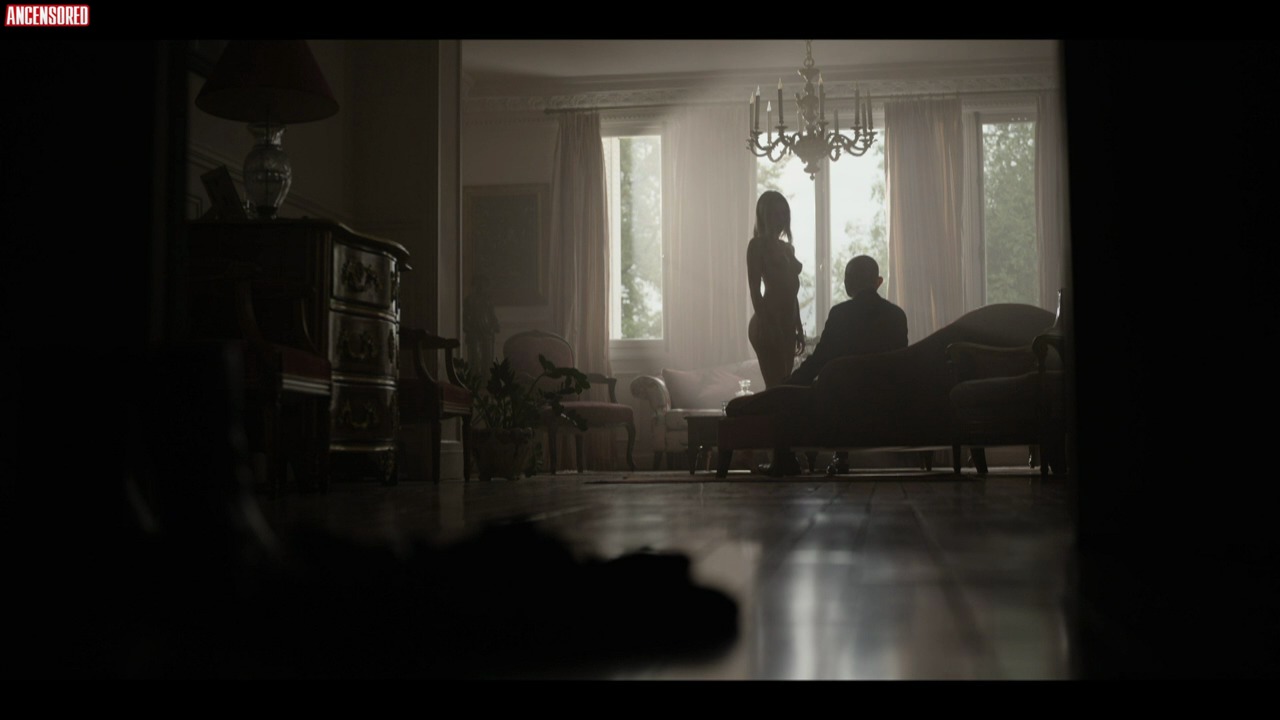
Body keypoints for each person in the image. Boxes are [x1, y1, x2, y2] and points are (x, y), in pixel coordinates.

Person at [760, 255, 908, 476]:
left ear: (849, 282)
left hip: (844, 405)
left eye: (846, 277)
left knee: (793, 396)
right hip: (886, 403)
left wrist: (788, 383)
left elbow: (820, 361)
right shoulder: (897, 316)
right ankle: (839, 457)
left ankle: (784, 461)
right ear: (878, 282)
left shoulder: (841, 315)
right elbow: (900, 363)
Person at [747, 190, 806, 389]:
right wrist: (768, 326)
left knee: (784, 383)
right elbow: (755, 291)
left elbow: (791, 294)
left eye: (784, 214)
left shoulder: (787, 248)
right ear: (764, 215)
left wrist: (798, 328)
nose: (780, 219)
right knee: (776, 385)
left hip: (787, 322)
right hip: (768, 321)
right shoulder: (757, 246)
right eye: (775, 214)